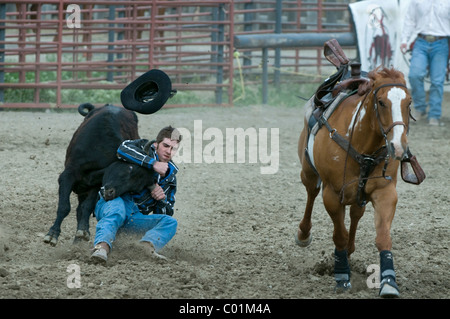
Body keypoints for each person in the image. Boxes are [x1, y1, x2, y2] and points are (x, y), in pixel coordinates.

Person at [91, 126, 182, 263]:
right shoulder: (141, 147)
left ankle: (145, 247)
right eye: (165, 146)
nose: (169, 151)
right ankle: (101, 248)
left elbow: (165, 213)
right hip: (113, 199)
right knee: (117, 210)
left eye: (173, 149)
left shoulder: (170, 179)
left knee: (170, 222)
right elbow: (122, 149)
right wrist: (153, 163)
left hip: (134, 216)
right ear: (156, 144)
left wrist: (161, 199)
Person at [400, 0, 450, 126]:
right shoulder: (416, 1)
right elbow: (410, 20)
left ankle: (434, 114)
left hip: (442, 42)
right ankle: (420, 107)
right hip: (421, 42)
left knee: (437, 81)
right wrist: (404, 39)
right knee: (414, 75)